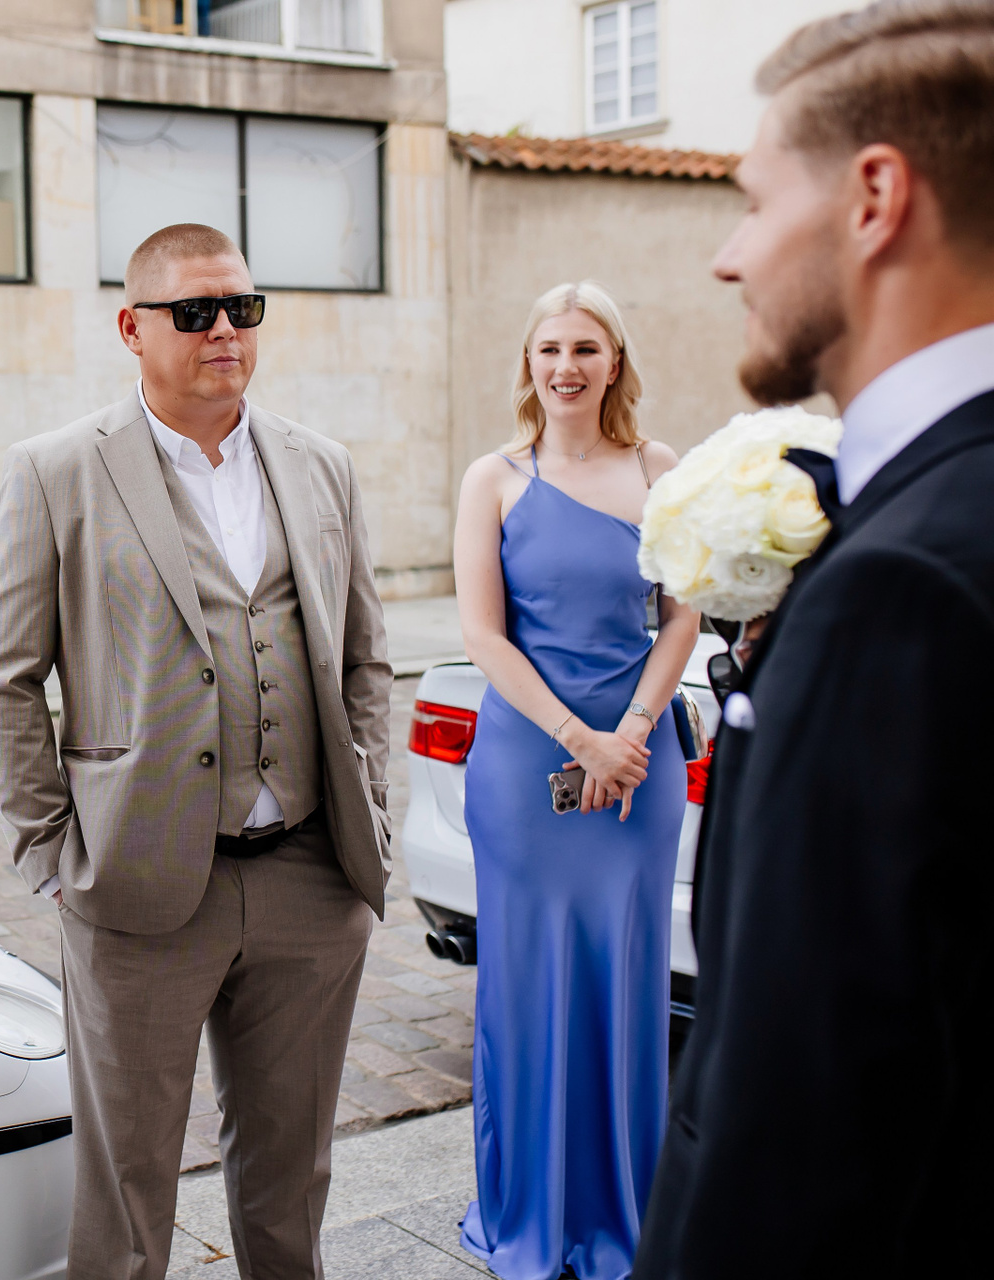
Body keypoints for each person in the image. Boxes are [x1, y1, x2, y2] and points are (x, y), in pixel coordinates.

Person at [637, 4, 994, 1274]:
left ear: (874, 198)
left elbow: (801, 1129)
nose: (728, 258)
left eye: (751, 201)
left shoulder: (901, 584)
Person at [0, 223, 393, 1280]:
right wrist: (51, 855)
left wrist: (370, 805)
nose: (224, 331)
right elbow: (2, 677)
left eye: (242, 308)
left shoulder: (322, 465)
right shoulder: (56, 470)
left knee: (292, 1177)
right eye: (195, 312)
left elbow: (365, 658)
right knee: (126, 1187)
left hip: (309, 873)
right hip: (137, 884)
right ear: (132, 327)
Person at [451, 281, 697, 1280]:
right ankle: (531, 1212)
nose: (566, 366)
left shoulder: (659, 468)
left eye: (586, 348)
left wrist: (629, 732)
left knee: (625, 982)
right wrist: (577, 739)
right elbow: (482, 634)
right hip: (529, 769)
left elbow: (683, 615)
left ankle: (622, 1212)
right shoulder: (493, 479)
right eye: (550, 348)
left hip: (641, 764)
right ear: (529, 362)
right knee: (529, 983)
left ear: (615, 362)